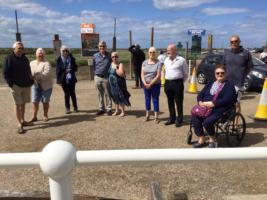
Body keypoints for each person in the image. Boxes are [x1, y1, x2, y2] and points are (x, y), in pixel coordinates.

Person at [191, 65, 237, 148]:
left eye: (222, 73)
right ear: (215, 74)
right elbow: (200, 94)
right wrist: (200, 101)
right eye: (217, 73)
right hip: (205, 107)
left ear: (226, 74)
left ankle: (212, 138)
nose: (220, 74)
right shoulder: (210, 83)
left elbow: (228, 99)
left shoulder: (229, 85)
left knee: (207, 122)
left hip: (219, 109)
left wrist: (214, 104)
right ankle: (201, 139)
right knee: (195, 116)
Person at [3, 41, 34, 134]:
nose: (21, 50)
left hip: (26, 84)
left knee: (23, 103)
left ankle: (23, 120)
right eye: (19, 48)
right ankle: (19, 124)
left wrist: (31, 81)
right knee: (17, 104)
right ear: (14, 49)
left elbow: (28, 71)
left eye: (22, 48)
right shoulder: (9, 58)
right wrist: (10, 83)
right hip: (16, 85)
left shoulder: (25, 58)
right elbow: (5, 72)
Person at [223, 35, 252, 113]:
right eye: (232, 42)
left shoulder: (246, 53)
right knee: (226, 102)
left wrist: (242, 75)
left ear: (239, 42)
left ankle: (235, 123)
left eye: (236, 41)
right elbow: (222, 66)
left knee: (236, 103)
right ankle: (228, 120)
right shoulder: (226, 52)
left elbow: (249, 67)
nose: (234, 43)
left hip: (238, 83)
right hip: (226, 82)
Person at [164, 44, 188, 127]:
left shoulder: (181, 60)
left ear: (174, 50)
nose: (167, 51)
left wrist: (180, 82)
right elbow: (165, 71)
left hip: (178, 83)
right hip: (167, 83)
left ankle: (179, 119)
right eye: (167, 50)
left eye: (169, 50)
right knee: (170, 101)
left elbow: (185, 73)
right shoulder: (166, 60)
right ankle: (172, 118)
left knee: (178, 102)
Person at [30, 48, 53, 122]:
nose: (40, 55)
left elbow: (46, 75)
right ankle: (34, 116)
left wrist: (35, 76)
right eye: (39, 54)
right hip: (35, 85)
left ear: (44, 55)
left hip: (46, 86)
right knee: (34, 101)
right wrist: (33, 76)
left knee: (45, 101)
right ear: (36, 55)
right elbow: (29, 72)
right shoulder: (31, 63)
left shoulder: (47, 63)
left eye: (42, 54)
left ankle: (45, 115)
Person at [141, 47, 162, 124]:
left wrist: (150, 84)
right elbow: (142, 74)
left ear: (155, 53)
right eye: (150, 52)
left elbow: (158, 75)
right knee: (147, 99)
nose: (152, 54)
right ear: (148, 53)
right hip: (145, 84)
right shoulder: (144, 62)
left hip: (155, 84)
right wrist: (145, 83)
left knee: (155, 99)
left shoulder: (158, 63)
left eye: (153, 52)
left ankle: (156, 117)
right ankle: (147, 115)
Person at [56, 45, 78, 114]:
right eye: (64, 51)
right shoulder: (59, 60)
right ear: (61, 52)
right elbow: (57, 71)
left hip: (71, 78)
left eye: (66, 50)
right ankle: (67, 108)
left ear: (68, 51)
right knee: (66, 94)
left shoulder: (72, 58)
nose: (65, 52)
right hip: (63, 79)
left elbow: (76, 68)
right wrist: (59, 80)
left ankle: (75, 107)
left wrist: (71, 70)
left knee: (72, 93)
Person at [93, 41, 113, 116]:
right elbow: (94, 66)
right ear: (98, 47)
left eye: (103, 46)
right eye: (100, 46)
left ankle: (109, 109)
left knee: (108, 94)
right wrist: (96, 74)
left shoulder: (109, 55)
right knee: (99, 94)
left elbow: (112, 65)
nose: (102, 47)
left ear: (106, 47)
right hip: (97, 77)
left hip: (106, 77)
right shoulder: (95, 55)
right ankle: (101, 109)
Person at [108, 52, 131, 117]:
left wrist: (116, 69)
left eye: (116, 56)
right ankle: (117, 110)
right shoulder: (111, 64)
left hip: (119, 83)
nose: (114, 58)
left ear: (118, 57)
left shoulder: (120, 64)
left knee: (120, 96)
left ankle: (123, 111)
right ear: (111, 58)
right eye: (113, 57)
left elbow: (121, 74)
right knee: (114, 96)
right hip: (112, 84)